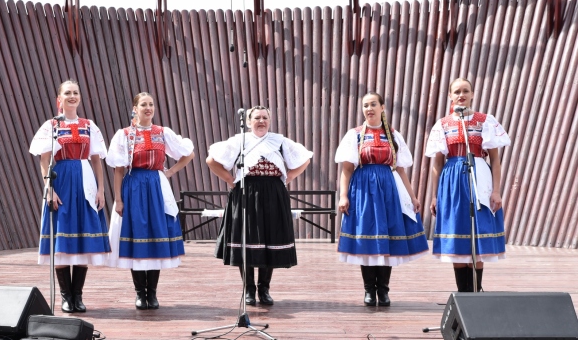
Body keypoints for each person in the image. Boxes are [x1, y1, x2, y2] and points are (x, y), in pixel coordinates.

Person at [206, 106, 312, 306]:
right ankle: (248, 289)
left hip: (273, 193)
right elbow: (211, 160)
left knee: (268, 239)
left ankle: (264, 289)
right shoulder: (239, 140)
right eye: (257, 118)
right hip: (246, 191)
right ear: (248, 122)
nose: (261, 121)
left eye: (265, 118)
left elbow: (305, 158)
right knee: (247, 240)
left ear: (270, 121)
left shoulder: (279, 141)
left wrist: (289, 176)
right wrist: (230, 179)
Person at [335, 92, 429, 306]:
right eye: (365, 105)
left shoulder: (394, 135)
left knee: (386, 238)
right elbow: (347, 170)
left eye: (373, 104)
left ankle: (384, 291)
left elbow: (402, 171)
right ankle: (369, 290)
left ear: (382, 107)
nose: (369, 108)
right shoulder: (355, 135)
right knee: (367, 238)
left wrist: (413, 197)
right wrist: (343, 196)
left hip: (389, 189)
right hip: (362, 190)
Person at [106, 92, 195, 310]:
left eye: (151, 104)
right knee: (137, 237)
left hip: (156, 185)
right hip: (133, 186)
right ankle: (139, 293)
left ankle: (152, 293)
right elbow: (118, 170)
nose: (148, 108)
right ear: (134, 108)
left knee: (155, 235)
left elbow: (189, 153)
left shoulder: (162, 133)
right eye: (143, 104)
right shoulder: (125, 134)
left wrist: (171, 171)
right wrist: (118, 199)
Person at [29, 79, 111, 313]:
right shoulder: (52, 125)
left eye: (75, 92)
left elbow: (96, 159)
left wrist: (101, 189)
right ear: (60, 99)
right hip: (62, 181)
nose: (72, 96)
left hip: (85, 181)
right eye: (68, 93)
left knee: (83, 239)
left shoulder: (88, 126)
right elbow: (44, 160)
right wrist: (49, 190)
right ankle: (66, 297)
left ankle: (78, 296)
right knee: (62, 241)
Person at [426, 78, 510, 292]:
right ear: (450, 95)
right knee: (458, 232)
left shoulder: (485, 121)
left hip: (479, 177)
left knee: (478, 234)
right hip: (452, 180)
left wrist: (497, 191)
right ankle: (463, 293)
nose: (461, 95)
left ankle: (475, 290)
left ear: (472, 94)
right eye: (456, 91)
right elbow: (437, 163)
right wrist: (435, 195)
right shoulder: (443, 124)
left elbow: (495, 160)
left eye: (465, 91)